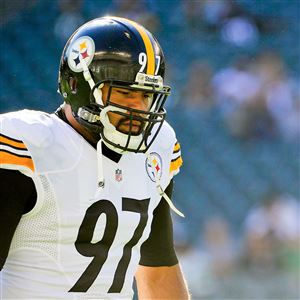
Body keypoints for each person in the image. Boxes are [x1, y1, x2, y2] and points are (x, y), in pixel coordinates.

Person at [0, 16, 189, 299]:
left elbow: (158, 269)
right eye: (125, 94)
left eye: (146, 96)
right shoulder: (30, 146)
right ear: (79, 87)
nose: (139, 109)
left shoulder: (156, 148)